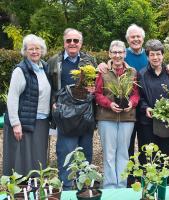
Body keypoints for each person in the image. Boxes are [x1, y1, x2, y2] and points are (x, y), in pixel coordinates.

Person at [98, 24, 169, 159]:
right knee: (127, 146)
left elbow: (158, 61)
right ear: (128, 40)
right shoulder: (123, 53)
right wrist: (102, 65)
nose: (135, 39)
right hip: (129, 109)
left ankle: (145, 176)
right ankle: (130, 178)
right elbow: (112, 64)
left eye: (138, 36)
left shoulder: (150, 56)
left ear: (143, 38)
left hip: (139, 107)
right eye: (132, 37)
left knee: (147, 147)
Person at [47, 28, 97, 190]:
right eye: (69, 41)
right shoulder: (54, 61)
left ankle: (84, 189)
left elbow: (99, 82)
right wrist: (53, 103)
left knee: (86, 153)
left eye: (76, 40)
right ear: (64, 43)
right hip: (65, 115)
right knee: (66, 154)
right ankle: (67, 189)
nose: (72, 43)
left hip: (85, 114)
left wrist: (94, 89)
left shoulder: (90, 60)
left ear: (81, 43)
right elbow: (48, 86)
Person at [3, 34, 51, 176]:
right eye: (31, 49)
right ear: (25, 51)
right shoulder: (20, 70)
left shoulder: (44, 67)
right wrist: (15, 123)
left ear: (42, 50)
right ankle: (21, 192)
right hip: (24, 122)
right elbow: (12, 98)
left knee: (37, 158)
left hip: (41, 121)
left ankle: (36, 186)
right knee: (22, 161)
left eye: (37, 48)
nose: (34, 51)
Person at [95, 40, 139, 188]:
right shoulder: (103, 71)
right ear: (109, 54)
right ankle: (109, 186)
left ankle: (121, 185)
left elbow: (135, 94)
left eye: (120, 52)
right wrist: (109, 104)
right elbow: (98, 94)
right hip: (107, 118)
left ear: (125, 54)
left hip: (127, 118)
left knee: (123, 153)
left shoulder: (132, 72)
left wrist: (132, 103)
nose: (117, 55)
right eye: (114, 52)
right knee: (109, 154)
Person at [138, 39, 169, 163]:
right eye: (152, 54)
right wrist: (145, 107)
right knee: (148, 156)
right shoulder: (142, 74)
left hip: (166, 122)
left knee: (164, 155)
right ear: (148, 57)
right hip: (147, 122)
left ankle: (163, 182)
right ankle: (148, 182)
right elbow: (139, 96)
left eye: (158, 54)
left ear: (163, 55)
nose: (155, 57)